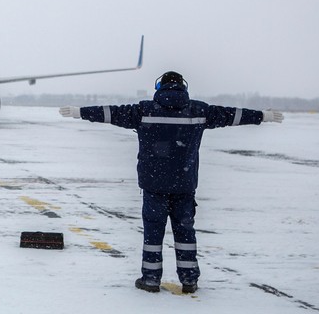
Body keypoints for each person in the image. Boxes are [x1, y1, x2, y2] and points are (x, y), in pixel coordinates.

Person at [59, 71, 284, 294]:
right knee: (185, 233)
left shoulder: (144, 111)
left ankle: (150, 279)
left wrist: (80, 112)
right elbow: (231, 115)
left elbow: (111, 113)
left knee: (153, 234)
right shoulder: (199, 111)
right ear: (184, 87)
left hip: (154, 186)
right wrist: (262, 116)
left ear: (159, 87)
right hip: (184, 185)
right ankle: (189, 279)